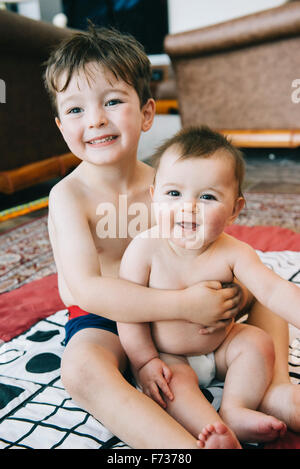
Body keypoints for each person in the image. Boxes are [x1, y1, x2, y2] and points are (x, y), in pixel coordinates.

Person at [44, 25, 299, 449]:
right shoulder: (68, 196)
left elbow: (212, 239)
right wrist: (183, 305)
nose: (96, 120)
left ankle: (274, 390)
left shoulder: (167, 183)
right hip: (106, 318)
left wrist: (215, 293)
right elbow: (88, 290)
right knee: (81, 369)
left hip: (183, 303)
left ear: (147, 113)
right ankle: (183, 449)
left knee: (261, 283)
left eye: (112, 101)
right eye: (75, 110)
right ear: (59, 125)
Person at [117, 126, 300, 446]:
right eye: (174, 193)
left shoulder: (234, 252)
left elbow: (272, 291)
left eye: (207, 197)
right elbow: (128, 309)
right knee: (173, 388)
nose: (188, 206)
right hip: (170, 355)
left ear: (234, 209)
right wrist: (144, 361)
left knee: (257, 343)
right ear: (153, 196)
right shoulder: (144, 249)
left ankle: (235, 409)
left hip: (221, 345)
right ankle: (213, 430)